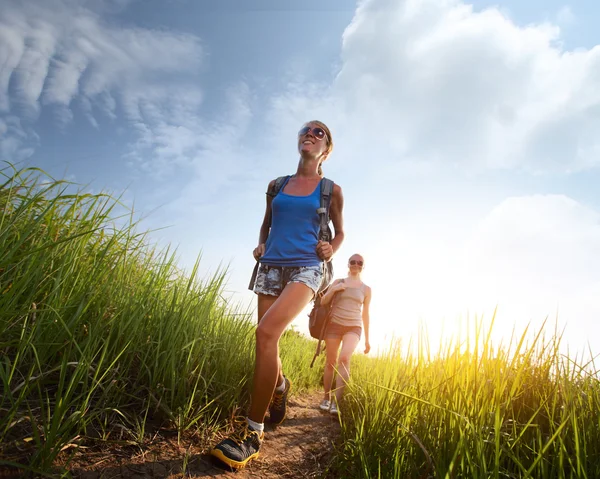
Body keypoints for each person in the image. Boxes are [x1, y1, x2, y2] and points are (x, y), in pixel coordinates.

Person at [210, 121, 345, 469]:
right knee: (267, 342)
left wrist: (332, 247)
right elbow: (267, 222)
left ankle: (252, 435)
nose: (311, 134)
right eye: (306, 130)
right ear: (298, 140)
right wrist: (260, 243)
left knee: (265, 333)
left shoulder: (332, 189)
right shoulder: (277, 185)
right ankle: (281, 386)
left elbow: (340, 232)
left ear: (326, 149)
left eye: (319, 133)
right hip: (270, 265)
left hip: (307, 266)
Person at [319, 254, 371, 416]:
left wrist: (368, 340)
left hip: (354, 327)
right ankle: (326, 398)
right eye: (353, 262)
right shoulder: (338, 282)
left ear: (363, 266)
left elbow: (366, 314)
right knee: (330, 363)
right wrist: (333, 289)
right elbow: (323, 302)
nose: (356, 264)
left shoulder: (366, 289)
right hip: (334, 325)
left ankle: (337, 402)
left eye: (359, 262)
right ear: (348, 264)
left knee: (344, 358)